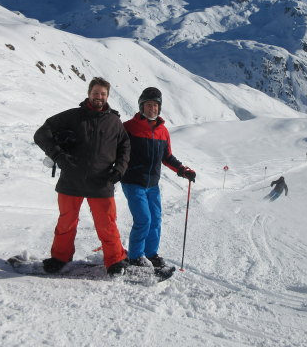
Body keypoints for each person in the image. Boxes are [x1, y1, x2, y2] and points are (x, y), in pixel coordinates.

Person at [33, 77, 131, 276]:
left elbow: (125, 147)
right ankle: (59, 258)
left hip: (101, 182)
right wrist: (58, 155)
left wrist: (120, 169)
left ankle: (115, 260)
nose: (99, 97)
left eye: (103, 94)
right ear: (89, 93)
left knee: (107, 224)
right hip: (71, 179)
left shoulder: (114, 121)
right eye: (96, 93)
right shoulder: (72, 116)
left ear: (107, 96)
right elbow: (41, 133)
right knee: (66, 222)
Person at [121, 87, 196, 269]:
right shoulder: (128, 127)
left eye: (155, 105)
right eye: (148, 105)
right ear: (141, 106)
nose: (152, 109)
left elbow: (167, 156)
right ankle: (135, 257)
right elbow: (117, 152)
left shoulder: (163, 131)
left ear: (159, 108)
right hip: (133, 182)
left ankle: (150, 254)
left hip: (152, 185)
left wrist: (182, 170)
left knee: (155, 220)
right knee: (143, 220)